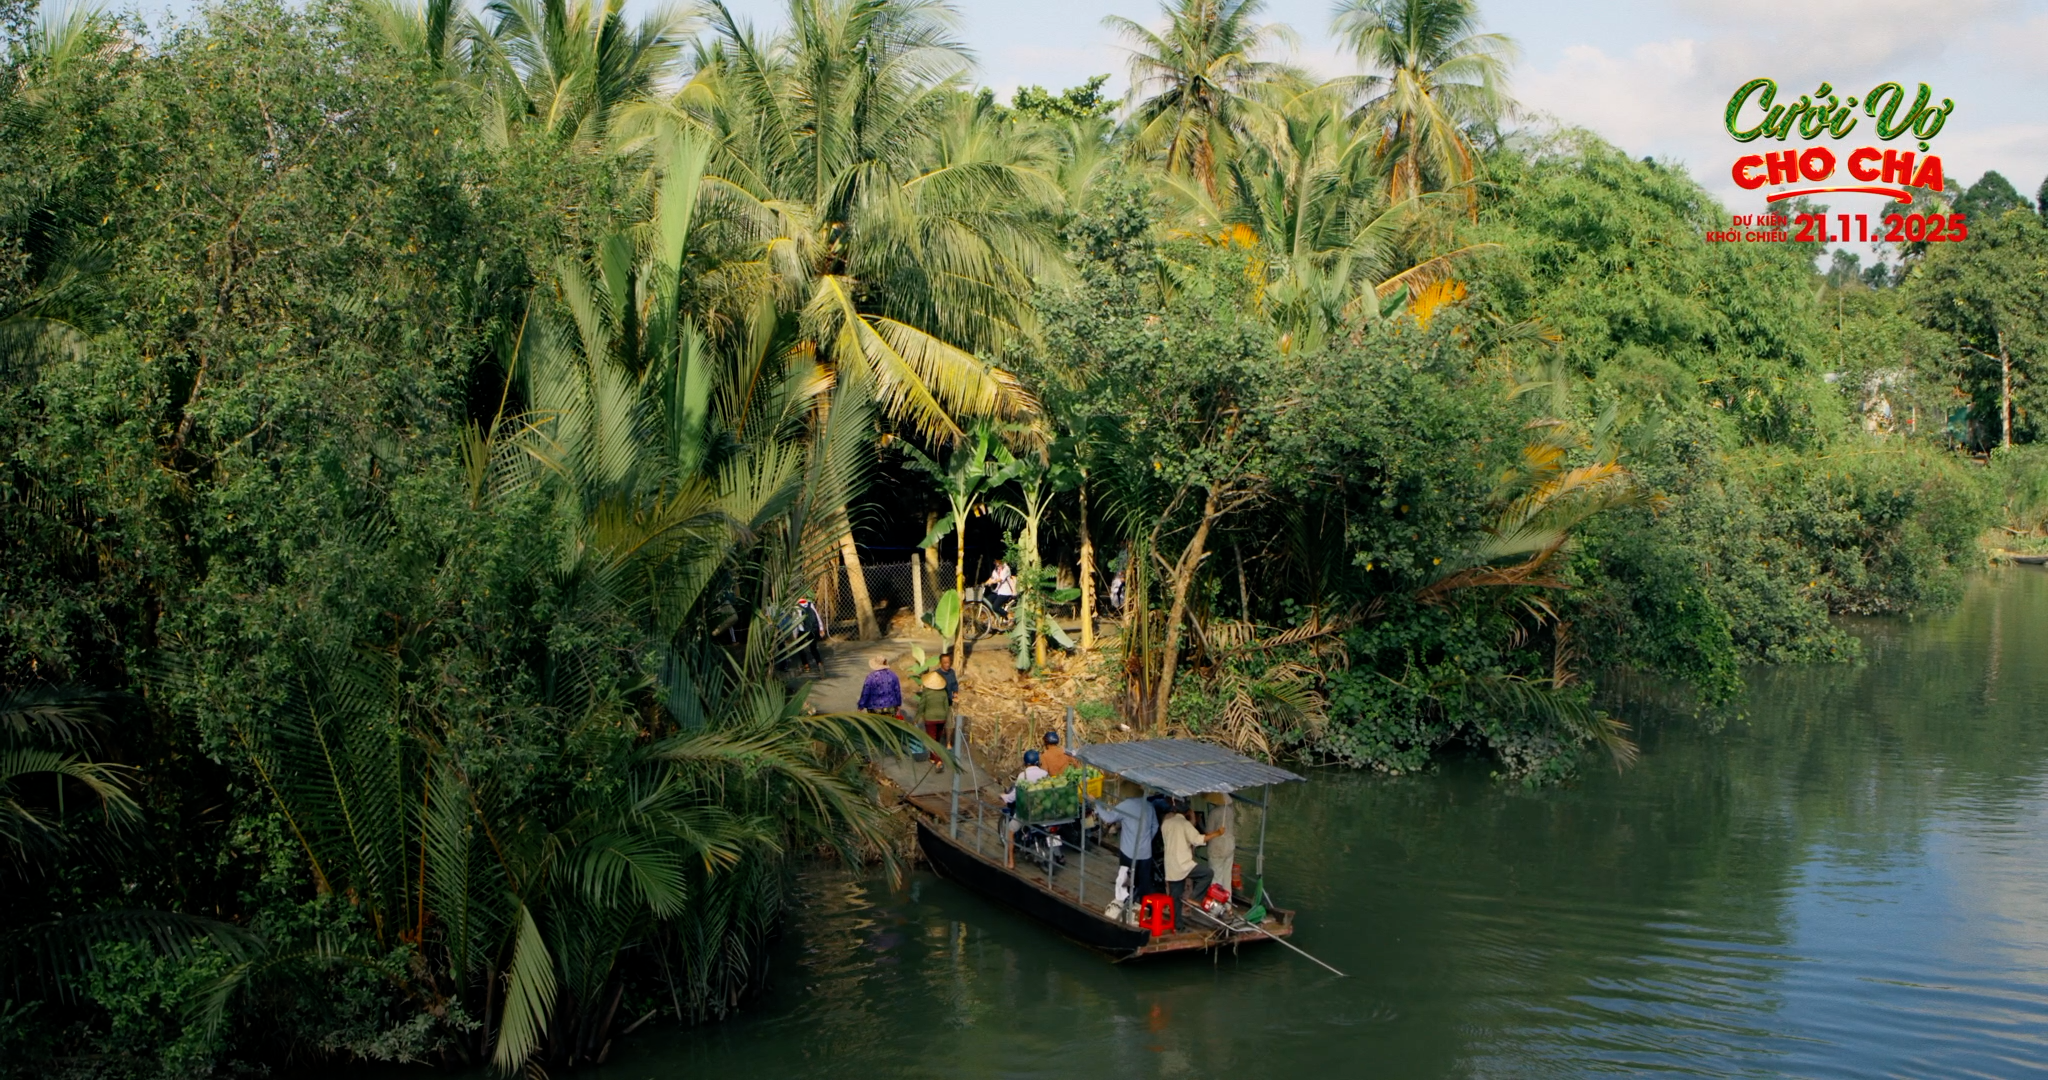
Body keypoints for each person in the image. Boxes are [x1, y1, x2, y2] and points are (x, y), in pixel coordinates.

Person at [1094, 785, 1160, 902]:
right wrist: (1147, 839)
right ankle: (1144, 908)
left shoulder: (1125, 805)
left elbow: (1108, 818)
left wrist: (1096, 803)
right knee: (1144, 882)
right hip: (1145, 853)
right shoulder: (1149, 806)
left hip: (1129, 852)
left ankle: (1125, 904)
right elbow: (1155, 825)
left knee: (1125, 880)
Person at [1159, 800, 1224, 913]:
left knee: (1175, 898)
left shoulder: (1166, 823)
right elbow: (1198, 839)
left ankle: (1178, 926)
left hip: (1170, 866)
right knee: (1207, 873)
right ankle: (1194, 898)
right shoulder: (1185, 824)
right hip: (1183, 865)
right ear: (1187, 812)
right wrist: (1217, 833)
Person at [1203, 792, 1236, 901]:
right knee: (1227, 876)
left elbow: (1209, 832)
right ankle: (1228, 904)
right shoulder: (1230, 811)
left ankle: (1216, 905)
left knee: (1216, 876)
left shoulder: (1214, 813)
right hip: (1230, 845)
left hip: (1218, 846)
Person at [915, 670, 950, 767]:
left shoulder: (926, 692)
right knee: (937, 739)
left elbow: (922, 706)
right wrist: (946, 719)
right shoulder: (943, 692)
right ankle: (932, 757)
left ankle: (938, 760)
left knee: (932, 740)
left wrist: (917, 717)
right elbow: (946, 707)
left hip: (930, 719)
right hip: (942, 718)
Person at [792, 596, 825, 671]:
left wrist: (795, 635)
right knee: (813, 648)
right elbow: (817, 617)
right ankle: (819, 662)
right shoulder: (810, 604)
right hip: (813, 630)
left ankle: (806, 665)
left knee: (800, 647)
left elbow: (795, 623)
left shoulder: (796, 608)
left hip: (802, 631)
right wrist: (821, 629)